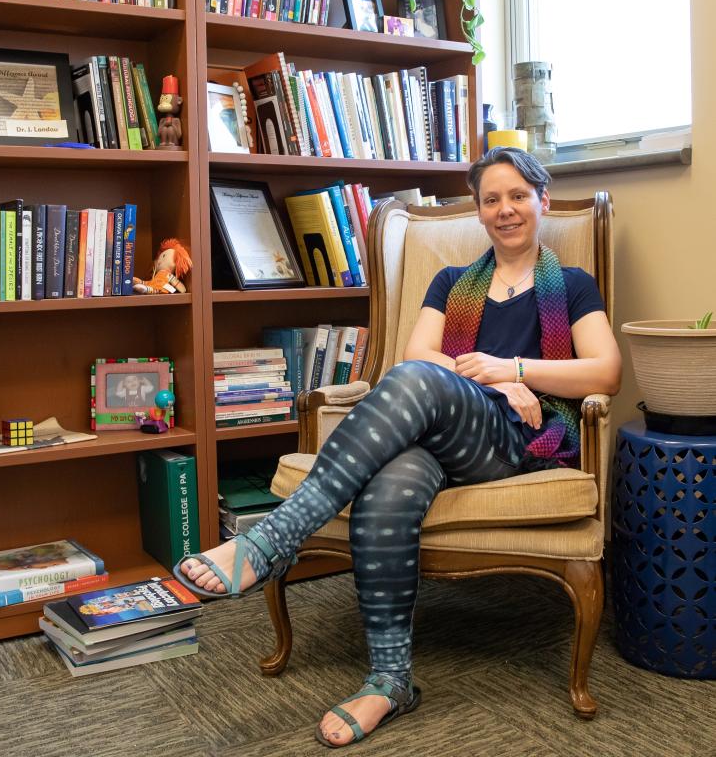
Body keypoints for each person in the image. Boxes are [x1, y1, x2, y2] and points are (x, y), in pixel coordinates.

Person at [175, 147, 621, 748]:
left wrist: (518, 370)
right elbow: (417, 354)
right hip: (449, 429)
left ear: (542, 201)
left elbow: (604, 373)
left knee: (412, 380)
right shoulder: (451, 283)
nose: (505, 210)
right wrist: (492, 378)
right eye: (491, 199)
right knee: (391, 484)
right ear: (480, 212)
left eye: (518, 196)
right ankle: (390, 681)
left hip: (519, 440)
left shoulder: (571, 285)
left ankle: (275, 537)